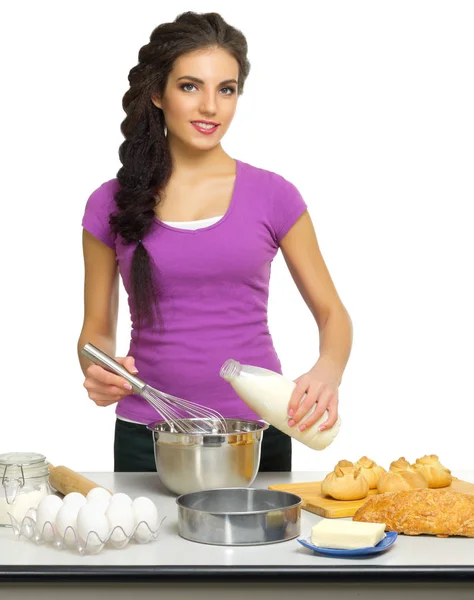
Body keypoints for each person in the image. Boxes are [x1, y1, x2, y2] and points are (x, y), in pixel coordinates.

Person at [78, 11, 353, 473]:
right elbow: (95, 330)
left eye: (226, 90)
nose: (210, 107)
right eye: (190, 86)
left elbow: (333, 314)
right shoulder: (109, 203)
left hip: (258, 431)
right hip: (149, 435)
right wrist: (98, 371)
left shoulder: (274, 195)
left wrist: (328, 370)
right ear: (156, 93)